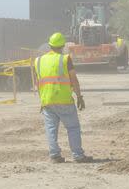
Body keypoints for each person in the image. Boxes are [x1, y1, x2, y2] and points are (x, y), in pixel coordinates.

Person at [34, 32, 92, 163]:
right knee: (73, 127)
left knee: (51, 129)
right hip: (64, 100)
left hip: (47, 101)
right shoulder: (65, 59)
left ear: (50, 45)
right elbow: (74, 80)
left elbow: (38, 83)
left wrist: (42, 101)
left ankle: (54, 156)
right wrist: (79, 96)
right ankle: (78, 155)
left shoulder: (38, 61)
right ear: (62, 46)